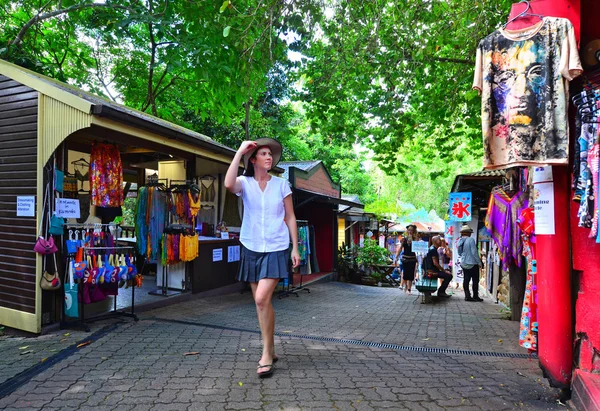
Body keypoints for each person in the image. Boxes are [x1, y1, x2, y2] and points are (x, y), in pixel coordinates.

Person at [224, 138, 300, 378]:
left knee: (260, 298)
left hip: (277, 246)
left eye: (270, 154)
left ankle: (266, 353)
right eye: (263, 154)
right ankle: (271, 348)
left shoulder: (281, 185)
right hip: (251, 246)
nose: (269, 157)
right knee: (262, 303)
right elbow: (227, 184)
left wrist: (295, 247)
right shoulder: (244, 183)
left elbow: (290, 217)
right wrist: (239, 152)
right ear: (254, 159)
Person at [457, 225, 484, 302]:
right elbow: (474, 252)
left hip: (463, 263)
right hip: (472, 263)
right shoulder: (471, 240)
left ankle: (467, 296)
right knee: (475, 280)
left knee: (466, 279)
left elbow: (459, 253)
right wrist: (479, 262)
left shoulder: (460, 240)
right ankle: (475, 296)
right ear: (468, 233)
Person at [395, 224, 418, 294]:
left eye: (411, 230)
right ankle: (405, 285)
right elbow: (400, 248)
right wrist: (396, 256)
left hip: (412, 258)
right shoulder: (404, 239)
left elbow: (418, 248)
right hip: (405, 258)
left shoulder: (416, 239)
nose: (410, 231)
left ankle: (409, 289)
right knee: (405, 274)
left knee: (411, 274)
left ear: (414, 231)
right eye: (409, 230)